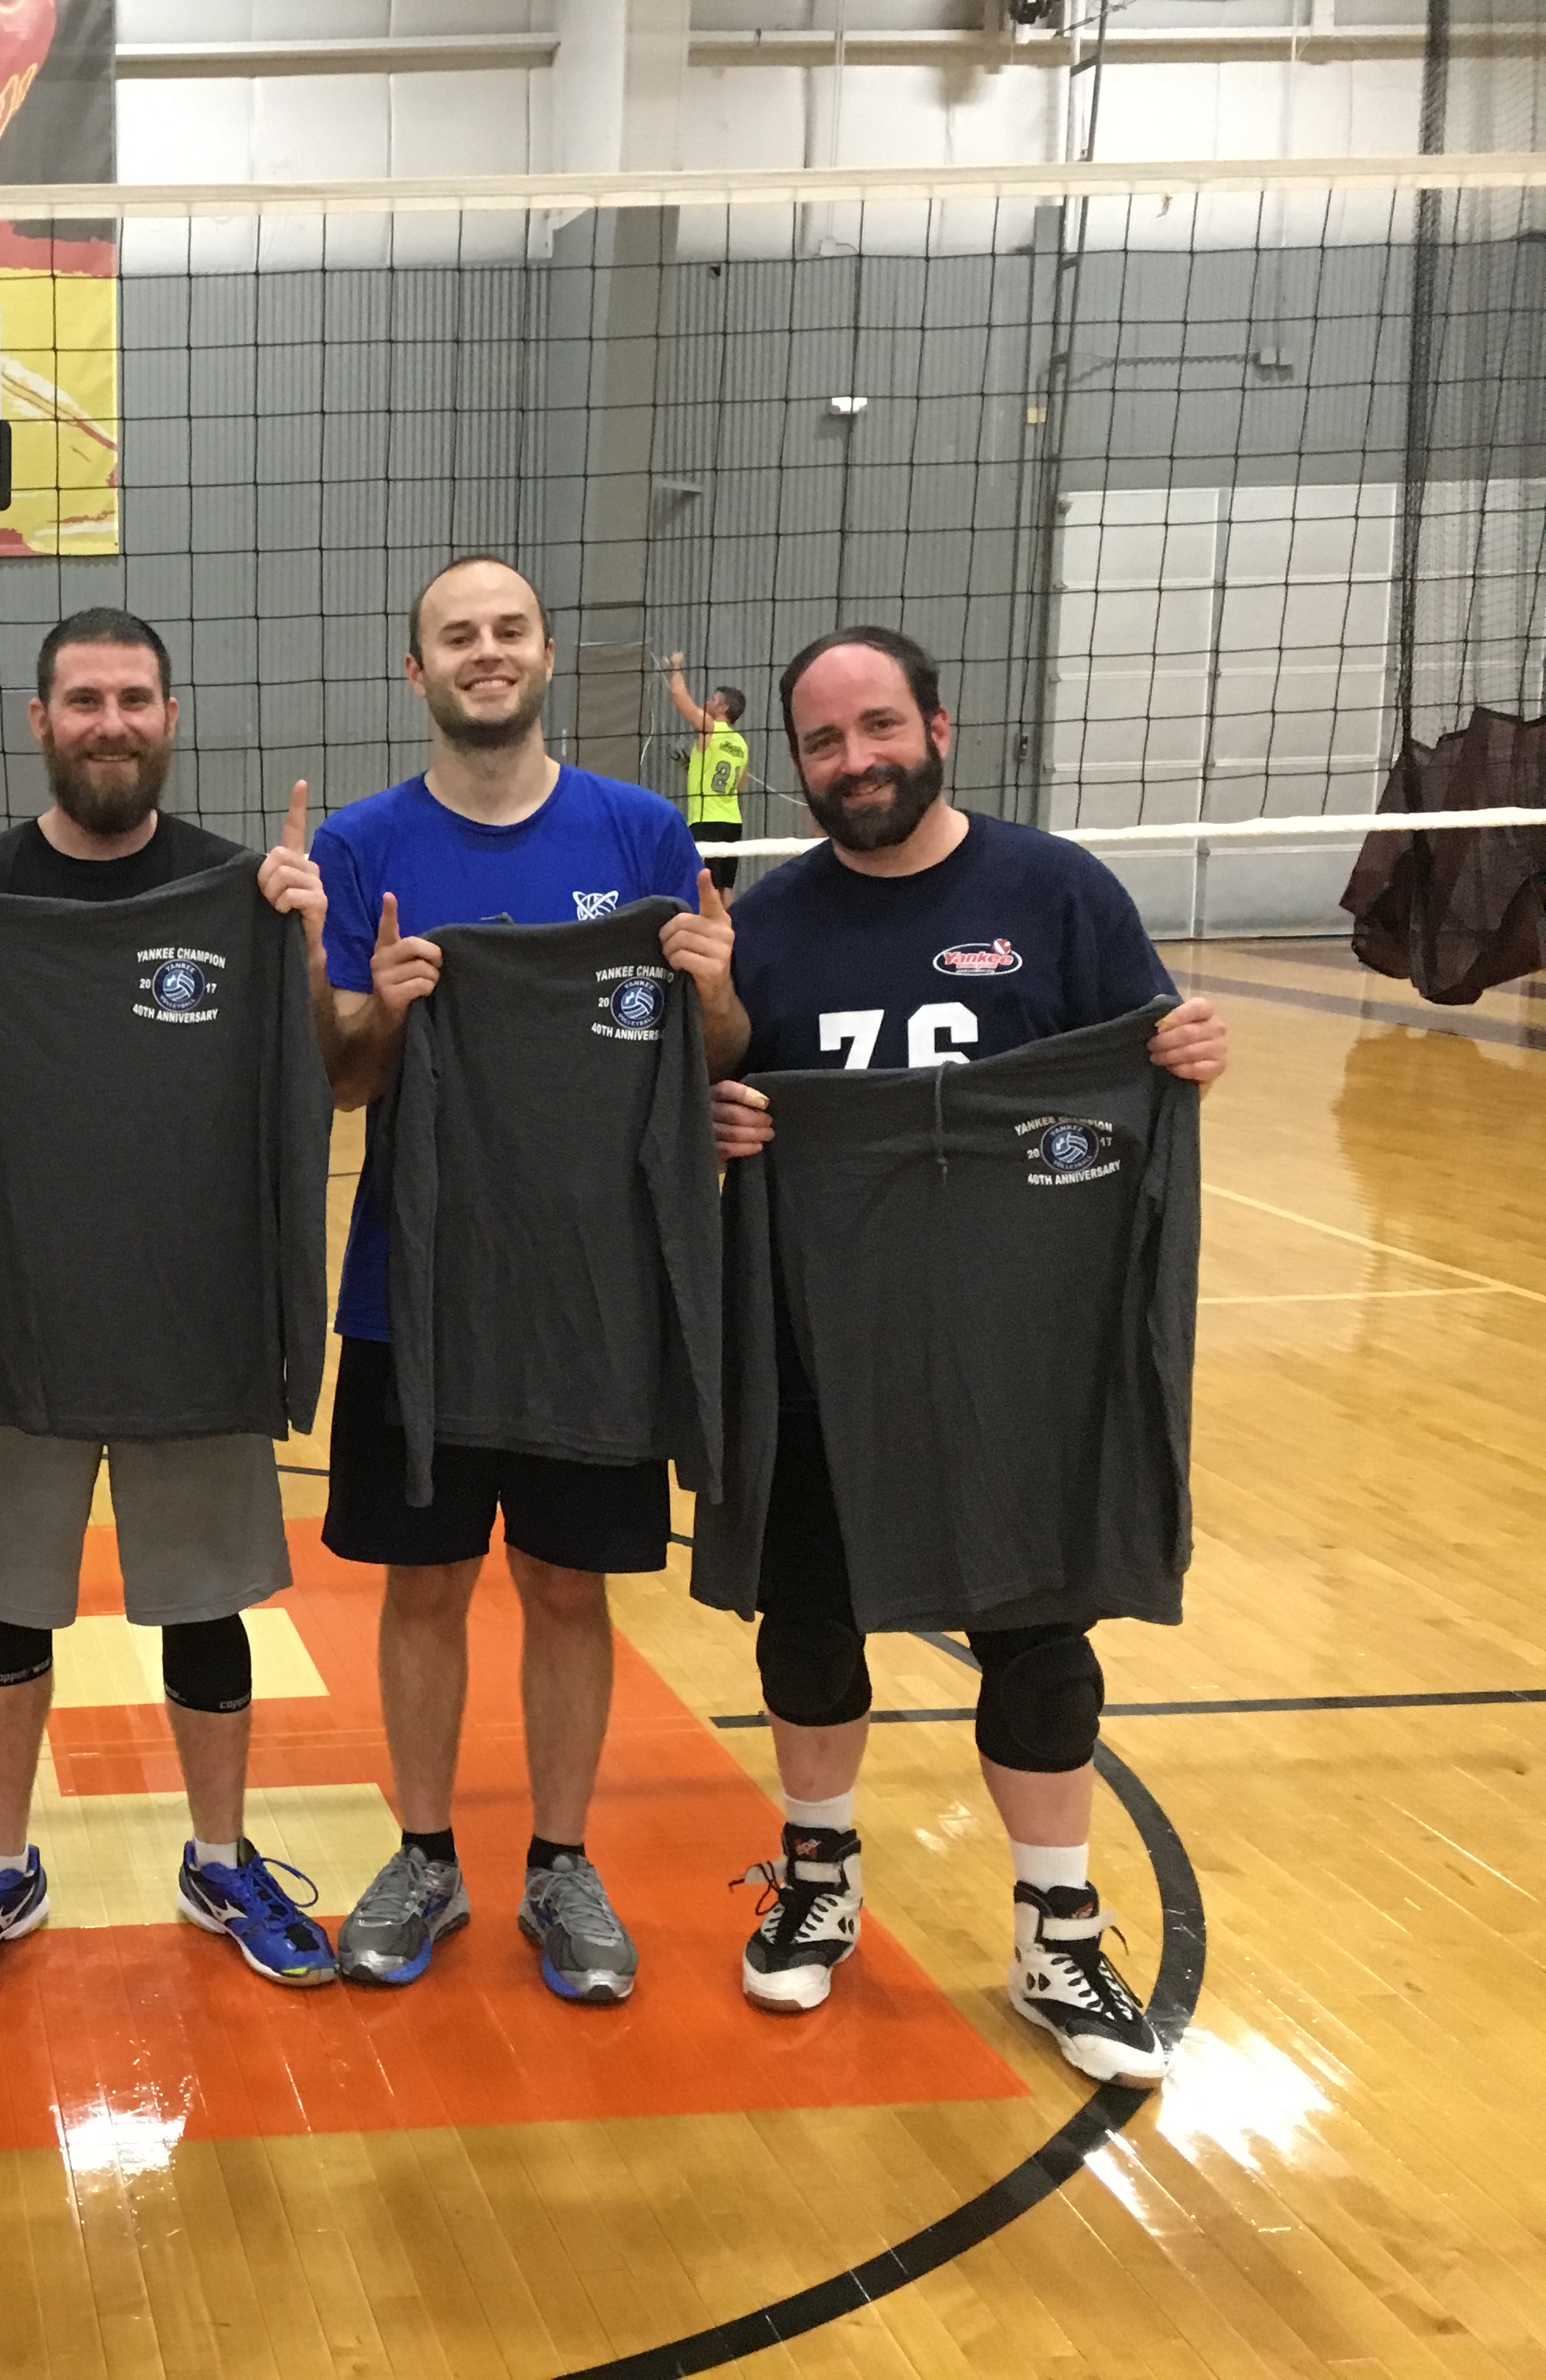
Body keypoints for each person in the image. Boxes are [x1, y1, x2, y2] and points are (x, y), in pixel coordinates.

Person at [709, 624, 1226, 2082]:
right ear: (796, 764)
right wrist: (720, 1118)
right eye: (824, 741)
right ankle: (817, 1876)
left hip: (1017, 1343)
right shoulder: (768, 925)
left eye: (879, 726)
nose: (855, 759)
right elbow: (715, 1088)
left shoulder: (1056, 892)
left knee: (1037, 1629)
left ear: (939, 726)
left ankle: (1058, 1928)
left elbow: (1142, 1056)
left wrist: (1183, 1059)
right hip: (824, 1335)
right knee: (809, 1619)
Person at [0, 608, 338, 1993]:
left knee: (206, 1604)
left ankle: (220, 1856)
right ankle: (2, 1864)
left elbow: (323, 1078)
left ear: (169, 716)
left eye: (132, 699)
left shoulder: (243, 893)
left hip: (194, 1304)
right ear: (39, 721)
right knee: (9, 1607)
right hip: (19, 1307)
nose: (109, 723)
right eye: (83, 700)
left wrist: (303, 955)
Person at [309, 555, 747, 2001]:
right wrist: (381, 1012)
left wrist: (712, 989)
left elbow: (713, 1053)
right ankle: (425, 1854)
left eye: (508, 631)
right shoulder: (365, 845)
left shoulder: (640, 831)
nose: (485, 652)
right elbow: (342, 1076)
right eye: (457, 636)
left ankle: (560, 1863)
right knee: (424, 1582)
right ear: (416, 670)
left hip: (592, 1298)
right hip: (418, 1287)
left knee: (567, 1585)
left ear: (547, 654)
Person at [666, 652, 753, 890]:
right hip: (732, 823)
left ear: (723, 706)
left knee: (705, 890)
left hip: (706, 822)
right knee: (724, 890)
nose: (707, 702)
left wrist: (676, 666)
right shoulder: (741, 744)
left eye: (712, 699)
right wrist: (692, 767)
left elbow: (679, 695)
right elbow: (739, 785)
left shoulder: (710, 728)